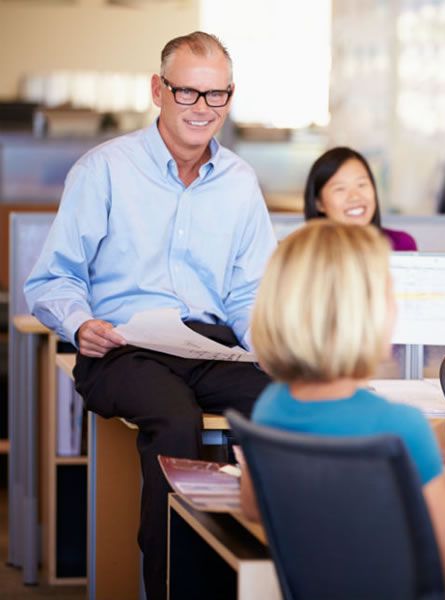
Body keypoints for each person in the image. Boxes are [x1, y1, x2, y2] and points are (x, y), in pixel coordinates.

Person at [23, 32, 276, 600]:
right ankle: (174, 587)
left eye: (217, 95)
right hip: (122, 347)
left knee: (284, 404)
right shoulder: (105, 169)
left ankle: (266, 573)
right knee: (174, 419)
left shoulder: (239, 182)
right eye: (188, 92)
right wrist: (80, 323)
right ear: (157, 90)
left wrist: (264, 343)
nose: (203, 109)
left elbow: (249, 291)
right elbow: (51, 278)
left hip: (208, 347)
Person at [248, 221, 445, 600]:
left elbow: (254, 506)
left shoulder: (270, 407)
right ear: (365, 315)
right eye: (389, 296)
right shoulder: (400, 428)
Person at [304, 146, 418, 250]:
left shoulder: (400, 244)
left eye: (361, 184)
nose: (354, 196)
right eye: (340, 189)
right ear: (319, 204)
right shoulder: (304, 252)